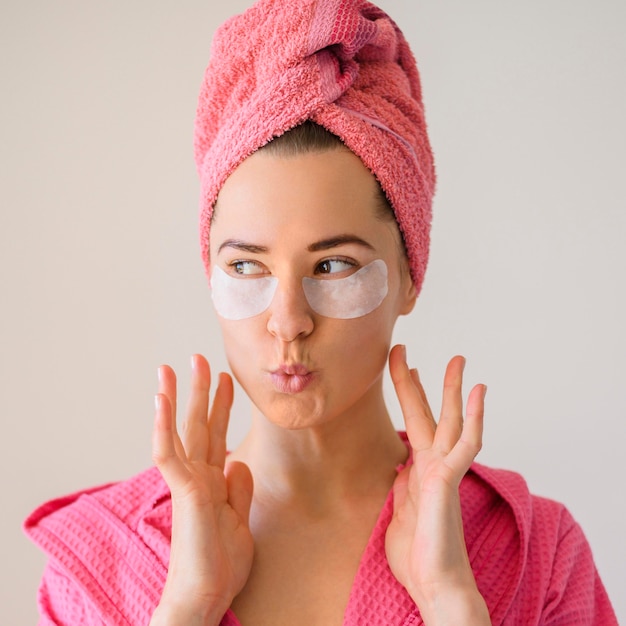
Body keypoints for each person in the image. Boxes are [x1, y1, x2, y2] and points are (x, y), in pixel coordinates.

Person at [24, 1, 617, 624]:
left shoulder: (539, 555)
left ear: (412, 275)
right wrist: (187, 607)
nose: (288, 321)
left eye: (333, 266)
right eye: (247, 266)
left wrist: (452, 602)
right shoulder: (96, 564)